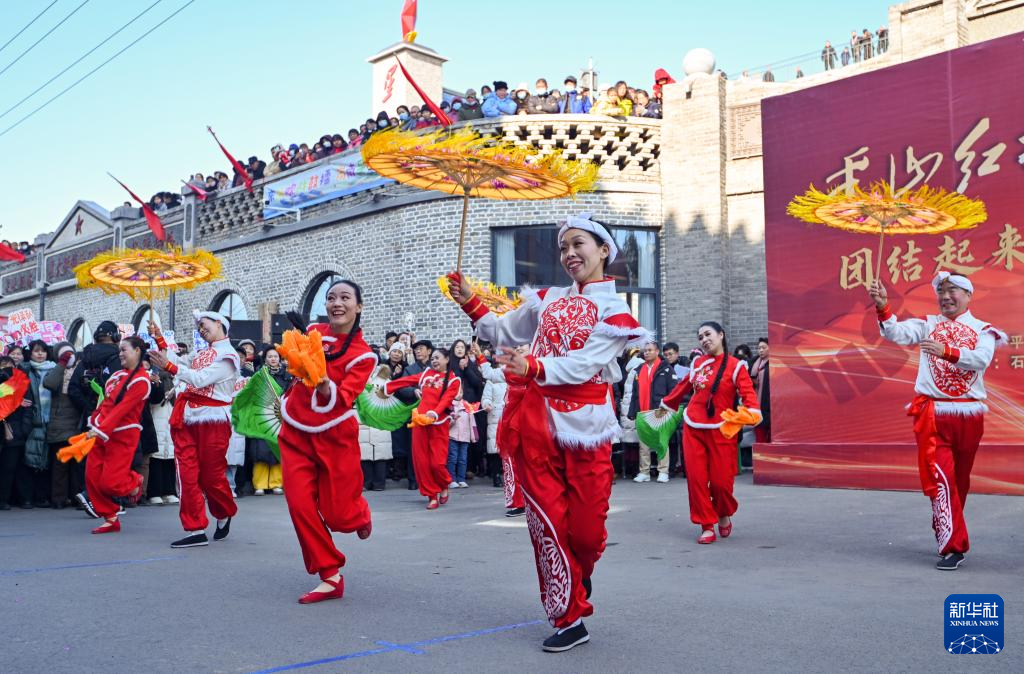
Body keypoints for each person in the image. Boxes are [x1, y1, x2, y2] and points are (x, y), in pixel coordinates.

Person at [446, 212, 649, 652]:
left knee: (587, 533)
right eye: (563, 247)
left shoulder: (615, 311)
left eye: (578, 244)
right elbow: (503, 332)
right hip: (536, 423)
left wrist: (534, 365)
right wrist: (470, 302)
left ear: (603, 250)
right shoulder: (546, 299)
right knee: (546, 523)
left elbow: (583, 365)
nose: (569, 254)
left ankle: (579, 574)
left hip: (588, 429)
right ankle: (567, 617)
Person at [869, 273, 1006, 571]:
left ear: (968, 295)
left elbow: (980, 360)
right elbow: (896, 332)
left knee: (960, 481)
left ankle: (946, 526)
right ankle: (954, 546)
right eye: (941, 291)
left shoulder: (984, 330)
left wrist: (946, 351)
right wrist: (882, 307)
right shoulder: (927, 324)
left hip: (969, 415)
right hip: (933, 414)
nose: (945, 296)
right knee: (942, 478)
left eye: (952, 290)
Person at [275, 280, 375, 603]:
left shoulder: (364, 356)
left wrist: (323, 384)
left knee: (339, 516)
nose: (337, 303)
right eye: (331, 297)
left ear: (358, 307)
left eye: (345, 297)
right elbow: (294, 366)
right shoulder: (313, 332)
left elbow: (344, 398)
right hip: (296, 433)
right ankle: (330, 575)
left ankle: (359, 514)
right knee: (299, 505)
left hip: (335, 438)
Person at [657, 321, 761, 544]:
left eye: (708, 334)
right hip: (693, 426)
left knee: (721, 483)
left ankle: (723, 512)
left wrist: (752, 412)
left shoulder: (736, 366)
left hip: (722, 429)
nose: (704, 339)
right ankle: (706, 525)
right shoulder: (697, 363)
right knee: (696, 479)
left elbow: (748, 395)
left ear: (721, 335)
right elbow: (684, 386)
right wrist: (666, 404)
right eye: (700, 337)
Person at [148, 311, 240, 548]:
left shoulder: (229, 356)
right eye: (198, 326)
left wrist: (169, 366)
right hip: (187, 418)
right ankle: (195, 528)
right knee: (186, 474)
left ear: (219, 323)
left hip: (213, 422)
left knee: (211, 477)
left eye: (203, 324)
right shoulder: (200, 353)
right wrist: (159, 338)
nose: (201, 329)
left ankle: (223, 510)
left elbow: (200, 379)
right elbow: (177, 361)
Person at [83, 336, 152, 533]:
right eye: (119, 350)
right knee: (92, 476)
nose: (120, 354)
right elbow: (106, 403)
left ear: (137, 351)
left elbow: (122, 409)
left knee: (110, 483)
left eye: (124, 350)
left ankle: (134, 482)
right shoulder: (116, 376)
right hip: (101, 430)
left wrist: (101, 429)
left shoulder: (141, 380)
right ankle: (111, 517)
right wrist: (94, 421)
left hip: (123, 435)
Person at [382, 347, 461, 509]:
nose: (434, 361)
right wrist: (388, 387)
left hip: (438, 423)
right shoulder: (426, 374)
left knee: (437, 463)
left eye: (437, 358)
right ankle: (432, 495)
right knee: (422, 462)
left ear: (447, 359)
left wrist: (435, 413)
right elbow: (407, 380)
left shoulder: (454, 380)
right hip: (419, 422)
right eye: (432, 359)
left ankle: (444, 483)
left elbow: (446, 400)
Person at [475, 343, 524, 516]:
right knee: (511, 462)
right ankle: (519, 502)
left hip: (533, 422)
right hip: (511, 422)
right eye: (516, 348)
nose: (519, 350)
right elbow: (489, 374)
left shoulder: (541, 367)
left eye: (522, 347)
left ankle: (537, 502)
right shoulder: (508, 371)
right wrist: (480, 356)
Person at [628, 341, 678, 483]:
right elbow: (634, 393)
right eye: (645, 350)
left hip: (660, 410)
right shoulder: (639, 370)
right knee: (643, 444)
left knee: (662, 442)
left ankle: (663, 471)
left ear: (657, 352)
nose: (647, 352)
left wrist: (669, 407)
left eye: (650, 350)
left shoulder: (666, 369)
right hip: (643, 411)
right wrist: (632, 411)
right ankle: (644, 472)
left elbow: (674, 391)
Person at [44, 343, 81, 508]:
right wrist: (62, 364)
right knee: (60, 465)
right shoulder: (55, 370)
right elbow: (50, 383)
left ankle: (77, 497)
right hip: (59, 424)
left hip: (77, 424)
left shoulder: (80, 369)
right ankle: (58, 499)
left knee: (77, 465)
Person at [251, 346, 290, 495]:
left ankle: (276, 483)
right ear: (265, 359)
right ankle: (259, 484)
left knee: (277, 449)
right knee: (260, 450)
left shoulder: (286, 375)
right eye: (270, 356)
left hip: (280, 415)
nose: (273, 359)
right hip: (262, 415)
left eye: (275, 356)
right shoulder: (260, 374)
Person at [21, 340, 55, 508]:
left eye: (43, 351)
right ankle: (29, 497)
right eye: (36, 351)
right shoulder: (25, 370)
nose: (40, 354)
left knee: (46, 460)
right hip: (32, 420)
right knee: (30, 459)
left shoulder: (54, 369)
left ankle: (43, 496)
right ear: (31, 353)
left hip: (51, 420)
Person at [446, 390, 476, 489]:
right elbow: (445, 425)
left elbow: (472, 422)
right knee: (452, 458)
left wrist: (474, 436)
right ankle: (451, 480)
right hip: (452, 436)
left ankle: (461, 479)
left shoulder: (467, 405)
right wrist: (453, 420)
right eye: (456, 392)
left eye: (461, 392)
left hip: (465, 436)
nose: (459, 394)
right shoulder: (449, 406)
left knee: (463, 459)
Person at [749, 338, 771, 444]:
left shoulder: (774, 364)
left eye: (763, 347)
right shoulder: (754, 363)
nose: (761, 350)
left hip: (769, 404)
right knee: (759, 437)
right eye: (759, 348)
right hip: (757, 403)